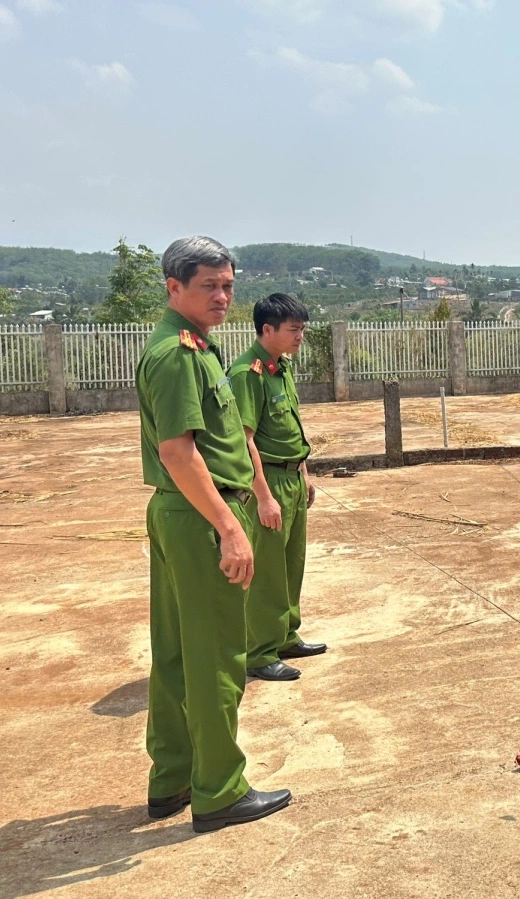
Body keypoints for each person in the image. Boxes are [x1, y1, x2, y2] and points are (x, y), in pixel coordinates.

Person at [136, 235, 291, 833]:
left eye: (228, 285)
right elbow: (178, 451)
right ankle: (220, 789)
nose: (223, 296)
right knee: (217, 657)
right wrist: (230, 526)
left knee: (176, 654)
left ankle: (172, 776)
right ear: (174, 288)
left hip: (182, 513)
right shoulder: (177, 353)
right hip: (202, 515)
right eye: (210, 286)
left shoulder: (193, 347)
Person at [228, 293, 325, 682]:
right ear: (267, 329)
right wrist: (264, 496)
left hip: (291, 477)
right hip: (266, 481)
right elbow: (245, 439)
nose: (300, 336)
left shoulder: (280, 369)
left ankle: (285, 634)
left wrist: (304, 474)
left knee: (290, 565)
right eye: (294, 330)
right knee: (267, 572)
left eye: (302, 329)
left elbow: (290, 429)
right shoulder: (247, 374)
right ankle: (259, 652)